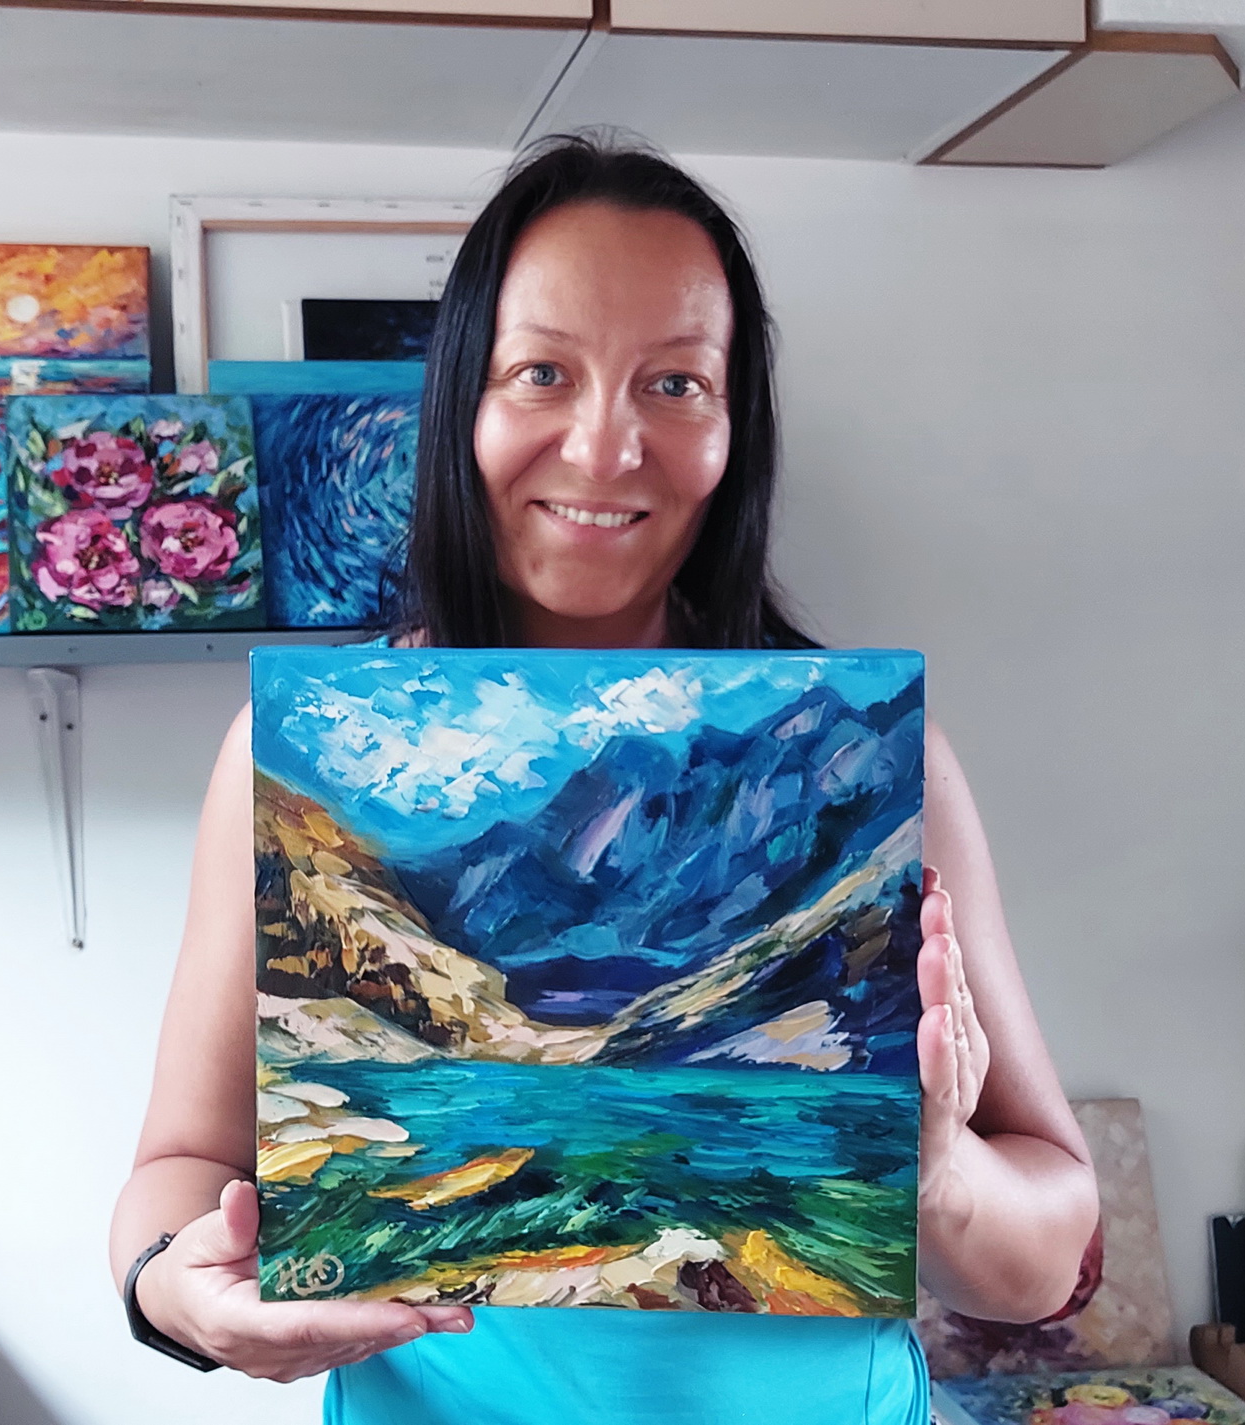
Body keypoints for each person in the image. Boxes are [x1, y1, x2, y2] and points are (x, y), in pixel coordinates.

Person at [109, 132, 1100, 1424]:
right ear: (462, 401)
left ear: (736, 428)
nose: (603, 445)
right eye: (543, 373)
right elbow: (180, 1163)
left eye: (675, 383)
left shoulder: (882, 761)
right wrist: (175, 1292)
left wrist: (942, 1175)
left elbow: (1048, 1255)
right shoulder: (294, 748)